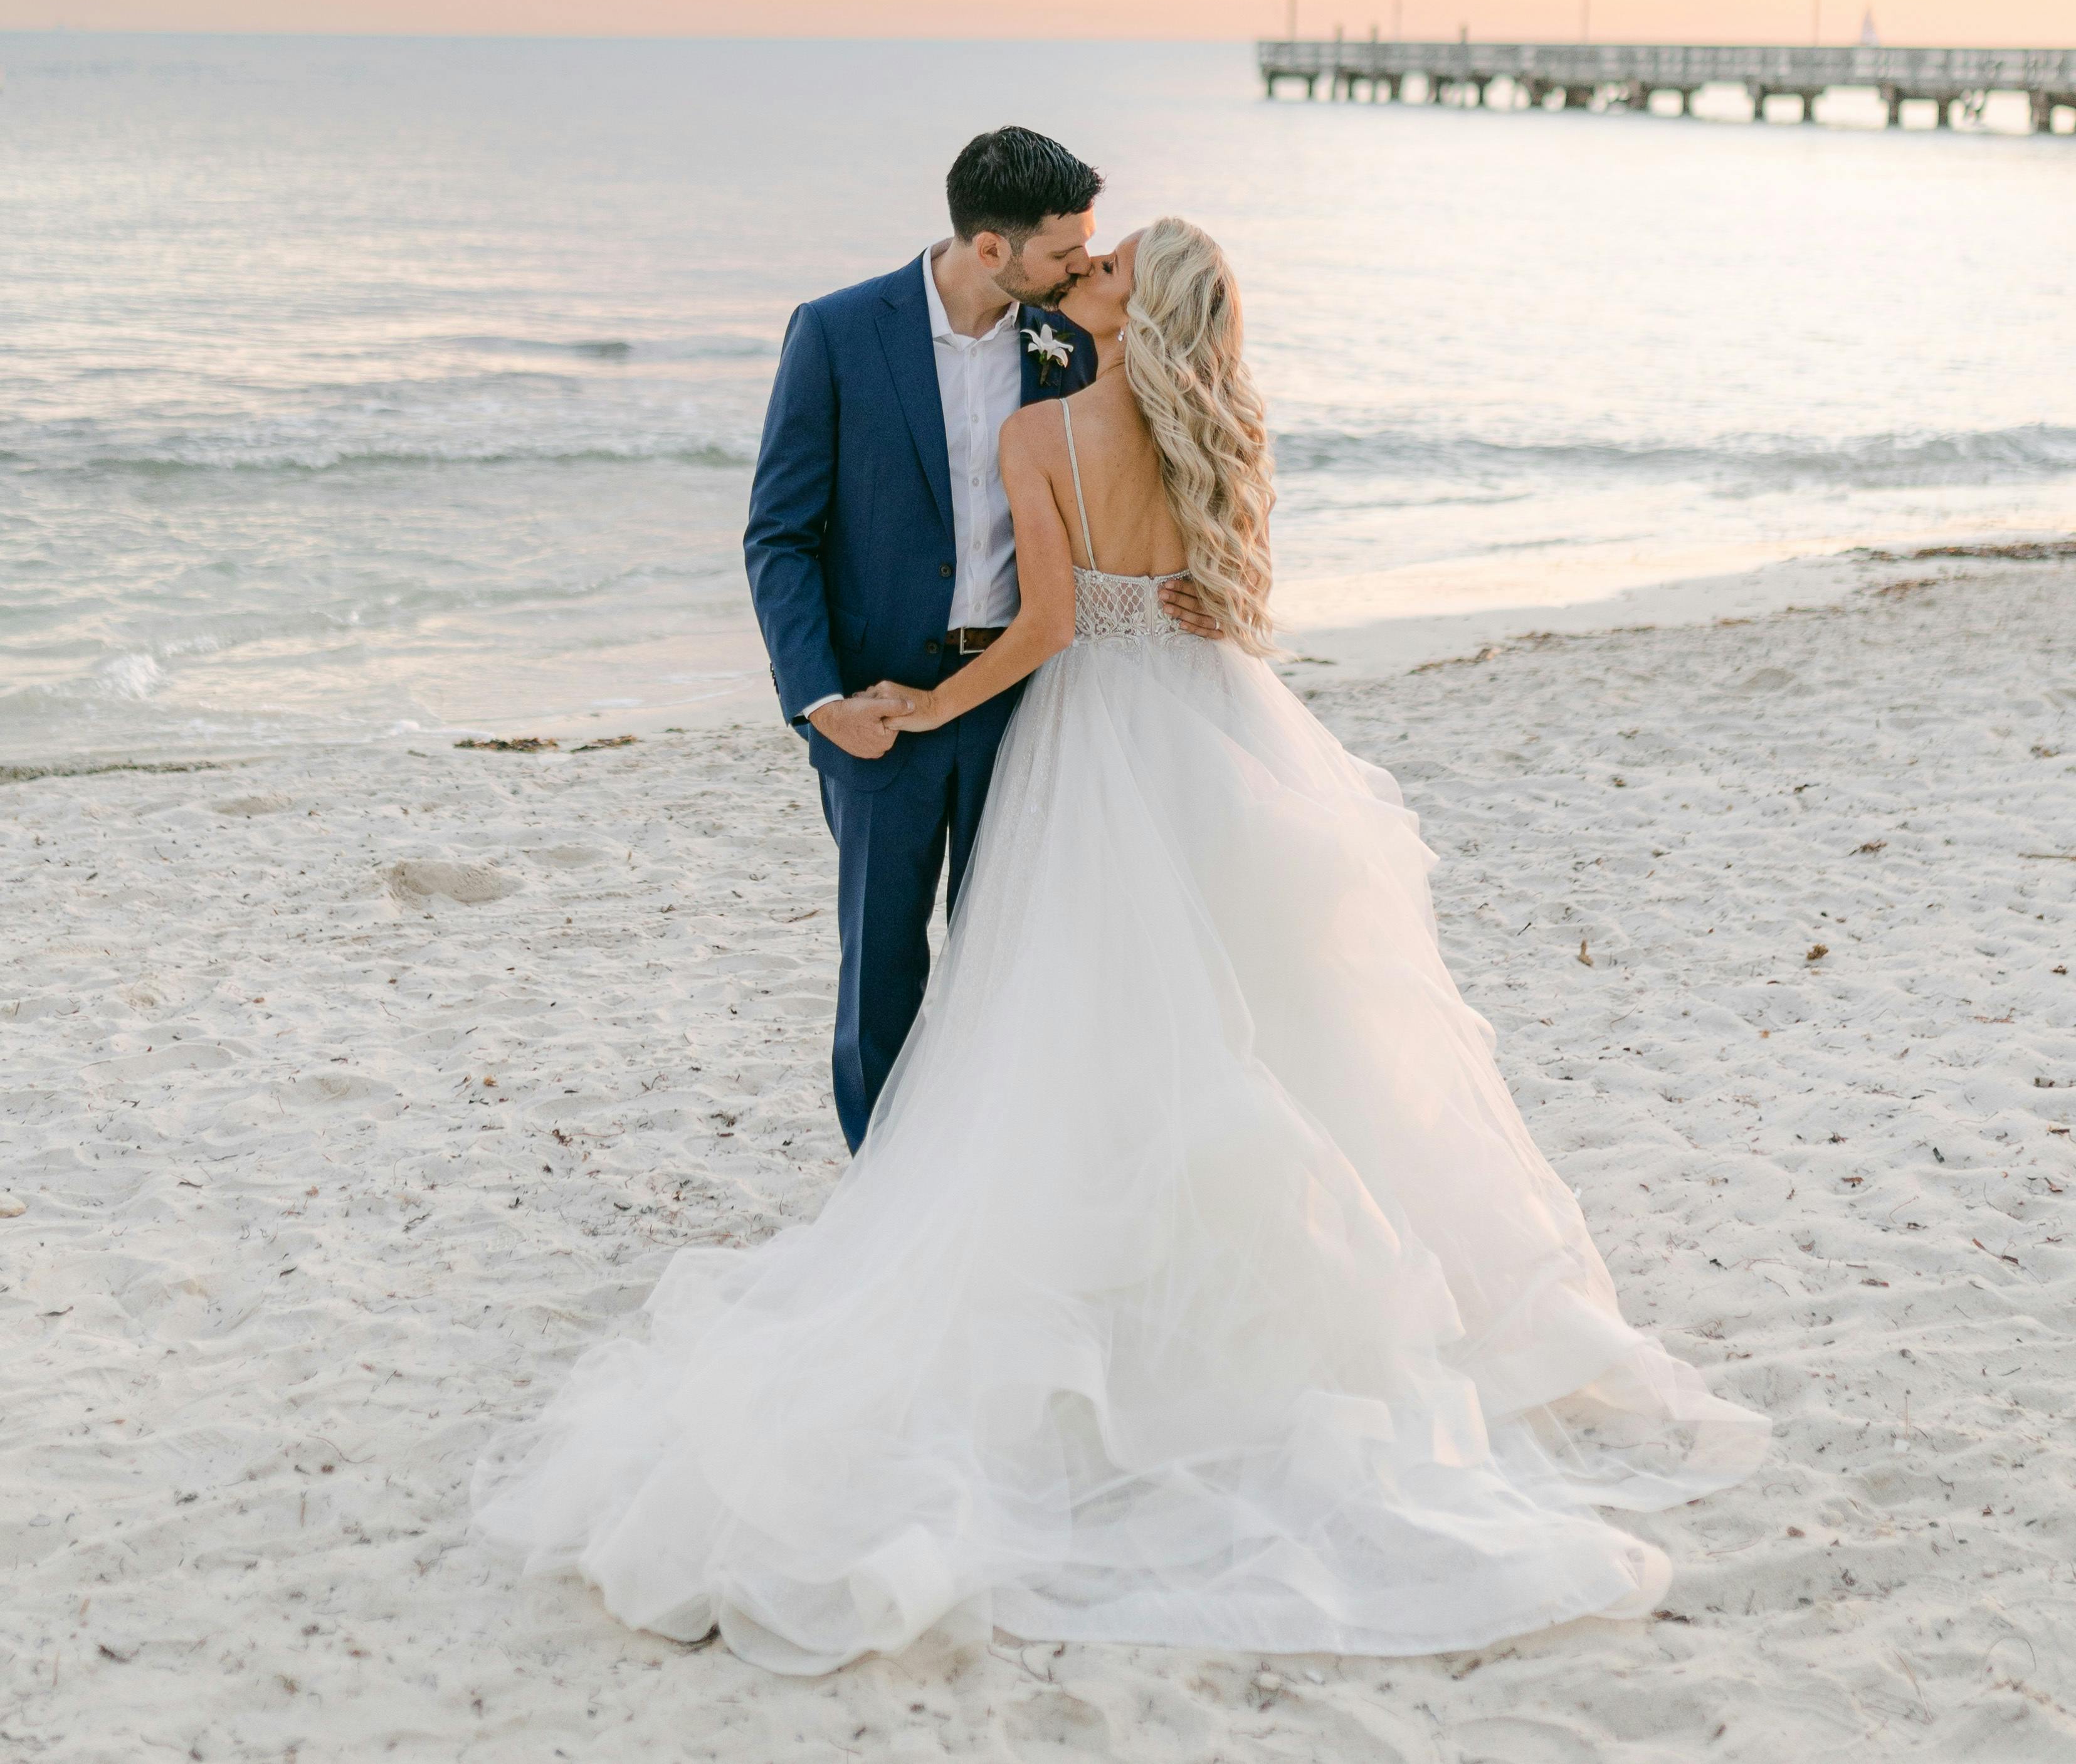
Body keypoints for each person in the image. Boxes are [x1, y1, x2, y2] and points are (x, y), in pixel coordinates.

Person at [476, 218, 1766, 1669]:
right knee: (1255, 1010)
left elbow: (1035, 631)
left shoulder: (1051, 433)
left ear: (1125, 305)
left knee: (1080, 1012)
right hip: (1216, 732)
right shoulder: (1215, 430)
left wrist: (928, 705)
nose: (1078, 278)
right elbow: (1231, 599)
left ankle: (1121, 1290)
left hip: (1092, 734)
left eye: (1100, 270)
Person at [740, 125, 1211, 1150]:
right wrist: (820, 700)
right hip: (882, 706)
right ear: (992, 248)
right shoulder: (836, 331)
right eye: (1065, 252)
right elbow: (779, 535)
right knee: (881, 975)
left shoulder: (1074, 337)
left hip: (1033, 701)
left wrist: (1204, 584)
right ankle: (883, 1192)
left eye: (1091, 250)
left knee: (1019, 965)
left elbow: (1173, 456)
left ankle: (998, 1180)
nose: (1087, 266)